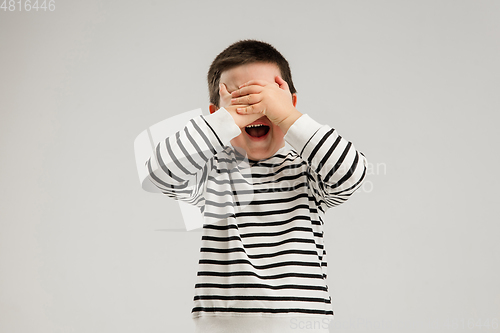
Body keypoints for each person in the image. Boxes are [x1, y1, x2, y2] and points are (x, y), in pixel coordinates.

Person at [142, 40, 367, 333]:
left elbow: (352, 174)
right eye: (240, 99)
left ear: (290, 102)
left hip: (301, 322)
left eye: (266, 97)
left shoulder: (308, 168)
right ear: (217, 113)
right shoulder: (212, 170)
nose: (254, 108)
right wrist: (225, 121)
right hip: (220, 322)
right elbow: (160, 173)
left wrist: (287, 118)